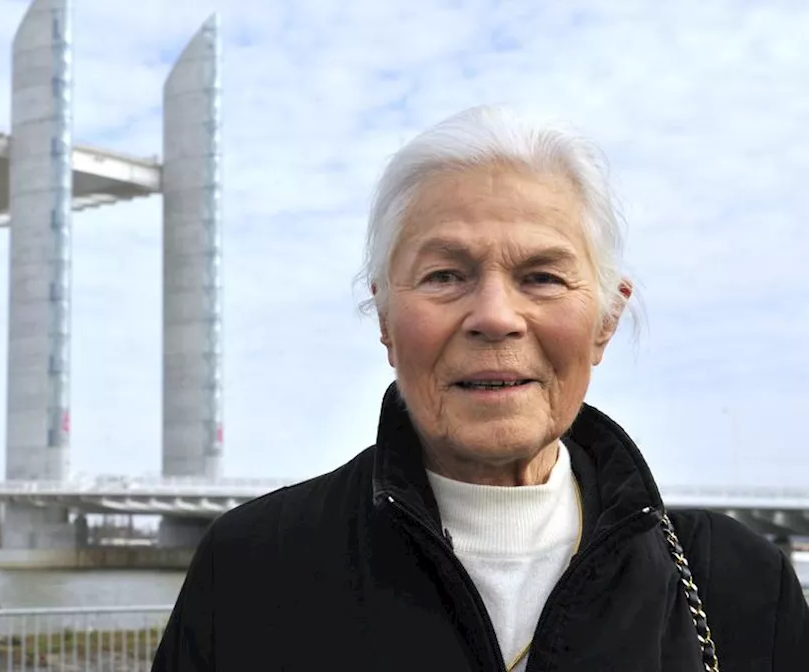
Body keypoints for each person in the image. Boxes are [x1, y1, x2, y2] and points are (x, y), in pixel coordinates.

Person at [152, 106, 809, 671]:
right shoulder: (254, 572)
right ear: (385, 318)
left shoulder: (737, 586)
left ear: (605, 321)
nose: (495, 315)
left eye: (543, 277)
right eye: (444, 275)